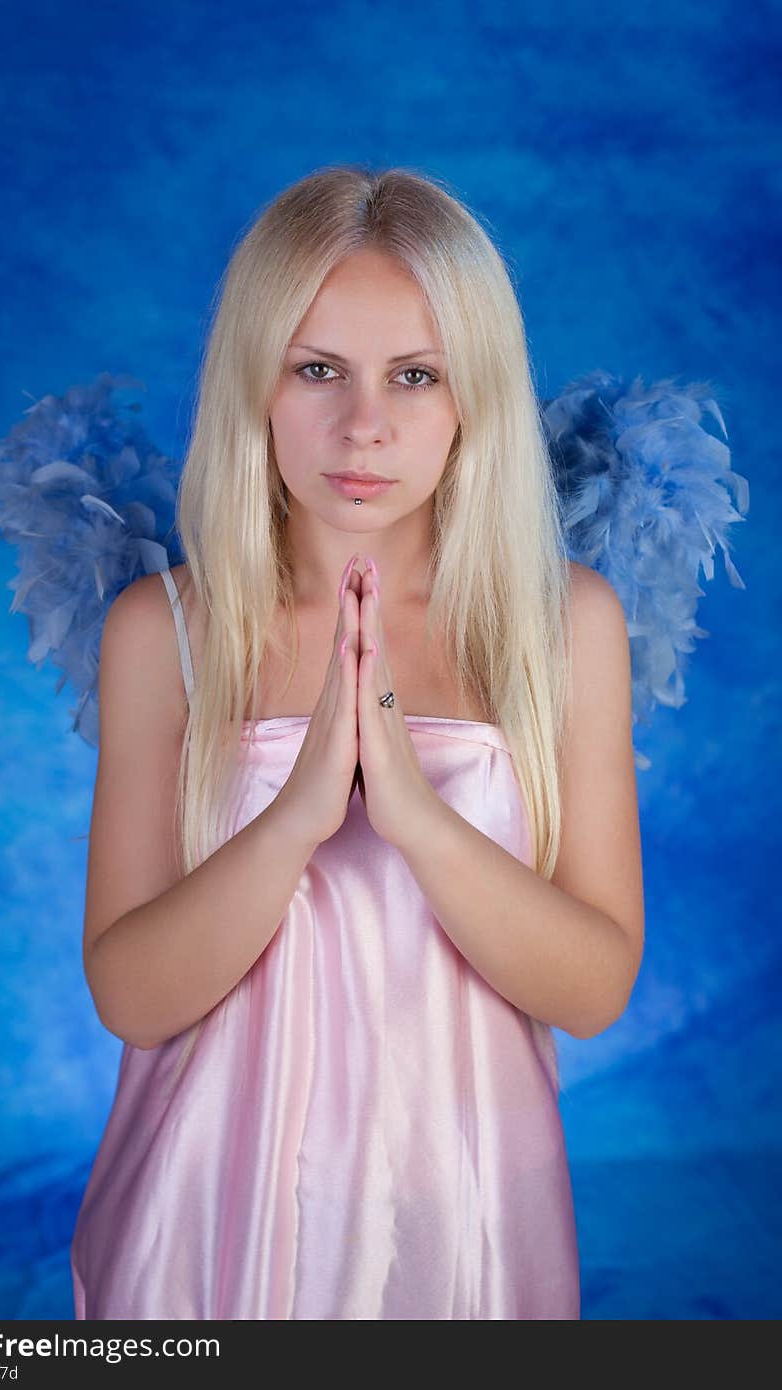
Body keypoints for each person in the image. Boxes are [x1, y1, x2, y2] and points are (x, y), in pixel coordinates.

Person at [68, 164, 645, 1319]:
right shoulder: (166, 632)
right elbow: (130, 995)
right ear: (257, 384)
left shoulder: (562, 626)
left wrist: (417, 814)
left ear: (472, 394)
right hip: (204, 1239)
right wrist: (297, 812)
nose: (363, 424)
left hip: (466, 1231)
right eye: (317, 368)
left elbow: (591, 990)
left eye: (415, 376)